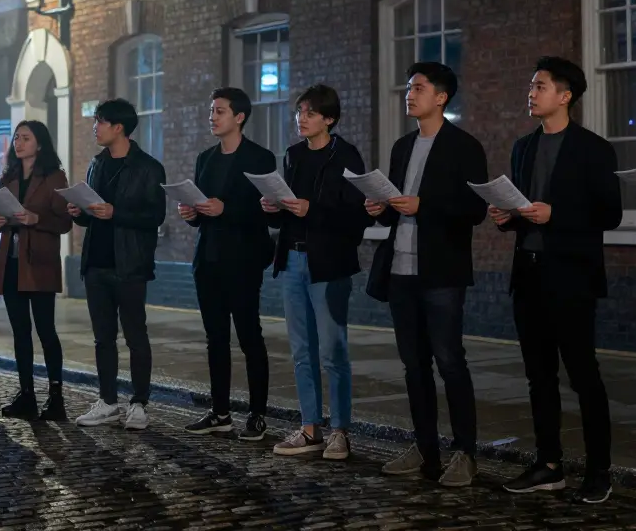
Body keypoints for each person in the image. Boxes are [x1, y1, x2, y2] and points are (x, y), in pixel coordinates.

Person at [489, 57, 622, 501]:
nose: (532, 92)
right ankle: (549, 464)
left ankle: (599, 470)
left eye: (540, 86)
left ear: (565, 96)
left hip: (572, 276)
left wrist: (556, 215)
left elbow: (610, 214)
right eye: (531, 85)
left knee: (584, 374)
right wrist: (505, 217)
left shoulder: (593, 149)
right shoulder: (523, 147)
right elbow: (523, 211)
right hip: (527, 274)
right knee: (538, 376)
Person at [364, 62, 488, 487]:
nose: (409, 94)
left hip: (441, 271)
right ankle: (425, 448)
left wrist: (424, 206)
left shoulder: (464, 147)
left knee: (450, 361)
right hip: (401, 269)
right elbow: (398, 203)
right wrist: (380, 207)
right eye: (408, 87)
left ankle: (465, 453)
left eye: (418, 88)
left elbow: (475, 211)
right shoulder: (402, 146)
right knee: (413, 366)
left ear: (441, 97)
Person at [262, 85, 371, 461]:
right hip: (291, 259)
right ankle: (310, 428)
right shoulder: (292, 156)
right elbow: (287, 212)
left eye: (309, 113)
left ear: (329, 119)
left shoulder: (347, 156)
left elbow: (355, 218)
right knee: (301, 351)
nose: (301, 118)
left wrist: (313, 210)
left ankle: (340, 430)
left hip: (329, 263)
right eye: (299, 112)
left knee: (333, 350)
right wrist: (272, 207)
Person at [178, 87, 275, 442]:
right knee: (215, 338)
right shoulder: (205, 158)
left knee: (250, 337)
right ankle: (220, 412)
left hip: (244, 259)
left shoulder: (260, 158)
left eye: (219, 111)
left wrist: (226, 210)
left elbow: (266, 210)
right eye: (211, 111)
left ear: (239, 117)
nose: (212, 117)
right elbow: (202, 210)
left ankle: (257, 414)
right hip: (209, 259)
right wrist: (191, 213)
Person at [69, 98, 167, 430]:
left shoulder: (148, 167)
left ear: (118, 127)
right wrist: (79, 212)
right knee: (102, 337)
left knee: (135, 336)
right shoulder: (97, 164)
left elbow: (154, 216)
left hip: (129, 263)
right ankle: (107, 402)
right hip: (95, 263)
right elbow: (93, 217)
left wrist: (116, 213)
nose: (95, 127)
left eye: (100, 121)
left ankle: (139, 404)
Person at [0, 120, 74, 421]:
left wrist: (36, 218)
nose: (18, 142)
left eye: (26, 138)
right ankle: (26, 395)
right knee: (20, 332)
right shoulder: (8, 176)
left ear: (40, 144)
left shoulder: (54, 177)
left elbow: (64, 223)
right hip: (11, 263)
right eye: (16, 138)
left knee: (46, 330)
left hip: (39, 263)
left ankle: (56, 397)